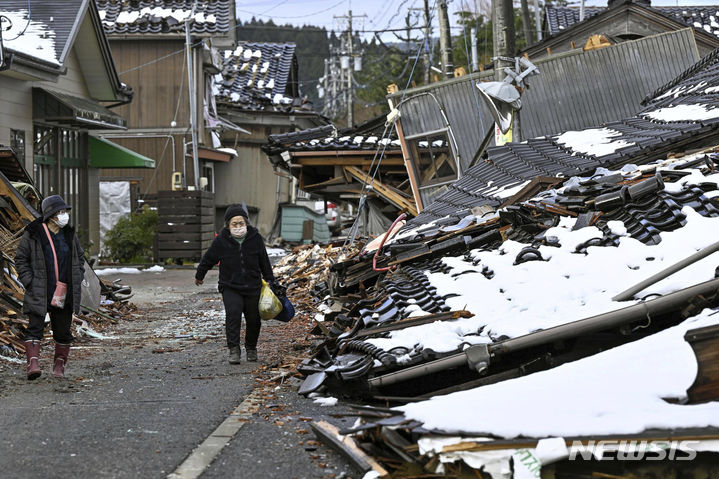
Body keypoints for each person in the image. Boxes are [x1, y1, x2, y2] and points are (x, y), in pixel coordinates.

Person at [15, 195, 85, 380]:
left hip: (64, 290)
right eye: (60, 212)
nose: (64, 215)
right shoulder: (33, 233)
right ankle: (33, 365)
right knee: (35, 327)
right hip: (40, 288)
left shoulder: (69, 235)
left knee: (63, 331)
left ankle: (59, 366)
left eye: (64, 212)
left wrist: (77, 277)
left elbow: (79, 258)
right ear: (51, 215)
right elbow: (21, 259)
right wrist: (29, 281)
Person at [195, 205, 275, 364]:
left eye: (241, 223)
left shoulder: (255, 238)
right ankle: (234, 349)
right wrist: (200, 275)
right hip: (230, 286)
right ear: (228, 225)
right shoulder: (221, 240)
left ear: (246, 223)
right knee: (233, 315)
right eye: (234, 224)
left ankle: (251, 348)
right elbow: (209, 258)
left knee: (253, 319)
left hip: (253, 286)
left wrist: (271, 280)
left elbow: (264, 261)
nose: (238, 227)